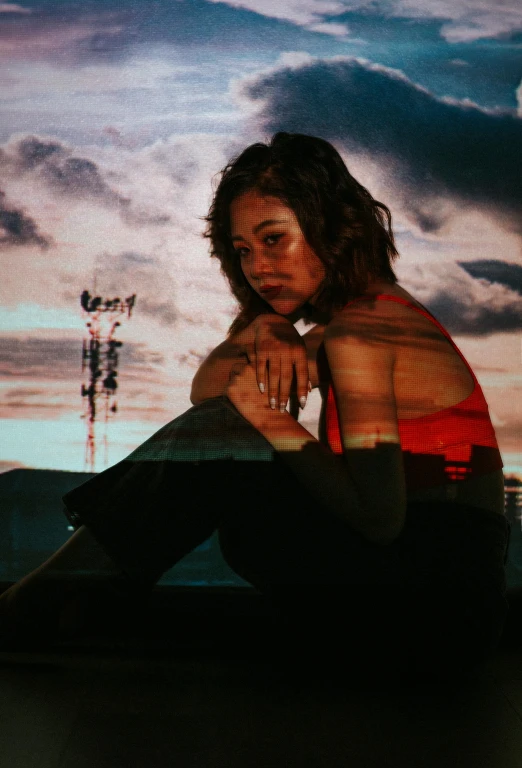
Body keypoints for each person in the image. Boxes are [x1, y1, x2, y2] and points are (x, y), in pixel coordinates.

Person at [0, 133, 510, 682]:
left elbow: (380, 520)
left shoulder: (360, 336)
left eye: (274, 240)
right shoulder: (374, 316)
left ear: (337, 230)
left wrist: (267, 416)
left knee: (229, 442)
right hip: (448, 607)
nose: (258, 267)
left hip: (428, 611)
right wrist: (267, 323)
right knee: (221, 438)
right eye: (243, 250)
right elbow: (209, 388)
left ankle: (41, 602)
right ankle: (66, 597)